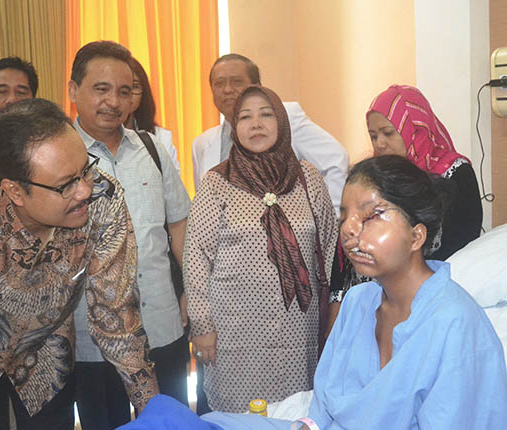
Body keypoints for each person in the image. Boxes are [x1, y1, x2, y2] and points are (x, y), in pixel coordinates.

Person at [0, 98, 159, 429]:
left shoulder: (103, 200)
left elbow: (117, 316)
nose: (85, 190)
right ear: (15, 191)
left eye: (86, 169)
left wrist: (155, 412)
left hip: (46, 358)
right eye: (66, 184)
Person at [301, 155, 507, 428]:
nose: (348, 229)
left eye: (370, 216)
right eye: (344, 218)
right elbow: (322, 408)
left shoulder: (455, 323)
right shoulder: (357, 302)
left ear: (416, 236)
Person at [184, 85, 337, 413]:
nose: (256, 124)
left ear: (281, 121)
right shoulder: (216, 183)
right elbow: (196, 259)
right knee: (239, 416)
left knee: (294, 412)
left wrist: (331, 316)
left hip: (298, 328)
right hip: (235, 331)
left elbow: (328, 248)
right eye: (245, 117)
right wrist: (202, 327)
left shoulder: (308, 179)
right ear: (234, 127)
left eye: (266, 114)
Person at [69, 40, 191, 429]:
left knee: (169, 422)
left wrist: (190, 290)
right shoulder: (58, 157)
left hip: (161, 325)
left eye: (124, 91)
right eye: (101, 89)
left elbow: (179, 224)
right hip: (92, 339)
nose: (114, 101)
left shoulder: (152, 149)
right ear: (73, 90)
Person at [329, 85, 484, 311]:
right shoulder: (372, 177)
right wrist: (336, 304)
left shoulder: (453, 173)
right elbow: (345, 243)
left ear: (416, 129)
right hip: (365, 302)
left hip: (426, 299)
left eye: (388, 133)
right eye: (373, 136)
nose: (380, 144)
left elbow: (462, 241)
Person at [192, 53, 348, 216]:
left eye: (237, 81)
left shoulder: (284, 117)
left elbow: (336, 159)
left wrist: (330, 219)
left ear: (256, 87)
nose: (227, 90)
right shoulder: (202, 143)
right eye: (219, 83)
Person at [123, 56, 180, 172]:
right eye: (123, 87)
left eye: (135, 86)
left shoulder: (160, 138)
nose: (128, 93)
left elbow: (172, 182)